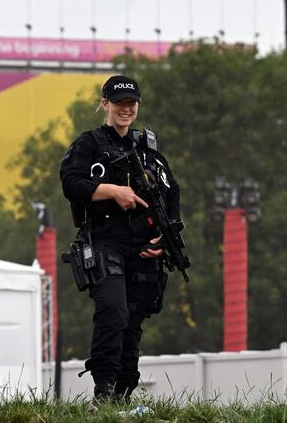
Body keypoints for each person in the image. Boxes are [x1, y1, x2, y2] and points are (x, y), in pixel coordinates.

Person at [60, 75, 181, 404]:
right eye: (119, 103)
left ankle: (124, 393)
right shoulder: (89, 145)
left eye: (131, 104)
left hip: (143, 246)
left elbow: (171, 193)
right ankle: (104, 391)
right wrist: (113, 191)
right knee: (113, 312)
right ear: (105, 104)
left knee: (134, 317)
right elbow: (71, 183)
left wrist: (164, 236)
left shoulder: (148, 149)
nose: (125, 109)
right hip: (104, 241)